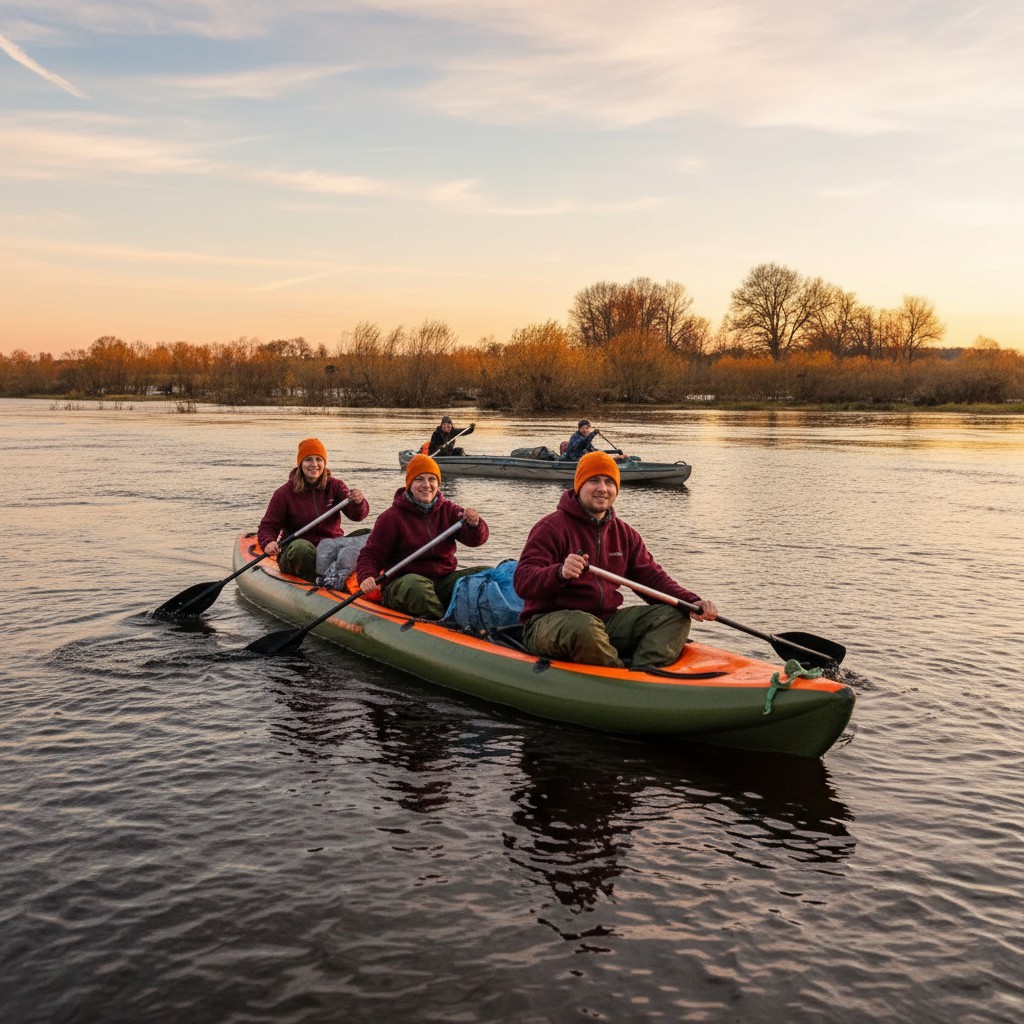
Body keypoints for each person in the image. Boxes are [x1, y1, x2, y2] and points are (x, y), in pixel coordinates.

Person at [513, 451, 718, 669]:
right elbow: (522, 581)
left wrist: (691, 602)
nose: (602, 488)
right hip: (549, 623)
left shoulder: (625, 534)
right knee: (584, 626)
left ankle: (645, 673)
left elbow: (653, 579)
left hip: (606, 623)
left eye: (609, 482)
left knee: (674, 615)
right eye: (594, 480)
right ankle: (618, 675)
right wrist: (559, 573)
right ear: (579, 485)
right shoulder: (551, 527)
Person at [355, 453, 489, 619]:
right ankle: (442, 624)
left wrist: (475, 524)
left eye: (431, 479)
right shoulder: (391, 518)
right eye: (419, 479)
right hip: (403, 585)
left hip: (442, 581)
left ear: (438, 483)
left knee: (487, 573)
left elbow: (477, 540)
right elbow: (370, 554)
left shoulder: (450, 510)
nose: (426, 485)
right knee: (416, 586)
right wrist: (366, 575)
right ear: (410, 484)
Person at [257, 438, 369, 582]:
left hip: (330, 549)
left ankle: (349, 574)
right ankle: (317, 581)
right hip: (299, 553)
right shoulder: (284, 493)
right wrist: (268, 542)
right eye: (308, 459)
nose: (314, 464)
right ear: (300, 464)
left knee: (368, 534)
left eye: (319, 459)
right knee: (301, 548)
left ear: (324, 463)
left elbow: (357, 516)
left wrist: (359, 502)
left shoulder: (336, 486)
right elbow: (268, 526)